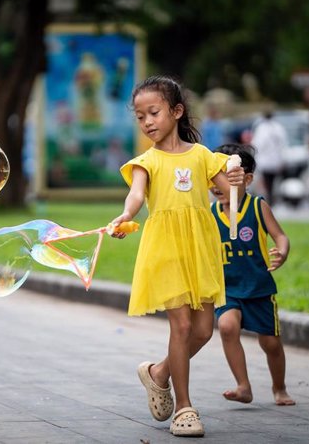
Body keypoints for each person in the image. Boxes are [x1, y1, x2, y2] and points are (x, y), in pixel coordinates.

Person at [109, 76, 244, 437]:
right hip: (165, 248)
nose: (147, 122)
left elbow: (230, 193)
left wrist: (235, 178)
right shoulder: (144, 162)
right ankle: (184, 408)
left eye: (153, 112)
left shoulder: (201, 156)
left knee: (202, 330)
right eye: (140, 117)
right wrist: (126, 215)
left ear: (177, 111)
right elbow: (136, 196)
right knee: (181, 326)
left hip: (200, 248)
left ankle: (158, 373)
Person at [209, 143, 295, 407]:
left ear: (246, 179)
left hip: (258, 289)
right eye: (214, 176)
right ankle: (243, 386)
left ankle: (279, 388)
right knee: (226, 326)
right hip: (228, 288)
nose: (218, 184)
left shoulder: (258, 207)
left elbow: (280, 236)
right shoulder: (209, 215)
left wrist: (281, 251)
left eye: (228, 175)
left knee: (270, 343)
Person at [251, 109, 287, 205]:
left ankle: (268, 199)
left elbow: (257, 144)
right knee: (273, 182)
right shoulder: (278, 128)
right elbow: (283, 144)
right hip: (275, 160)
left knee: (266, 181)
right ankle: (271, 199)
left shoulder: (262, 128)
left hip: (265, 160)